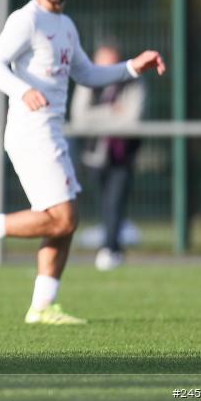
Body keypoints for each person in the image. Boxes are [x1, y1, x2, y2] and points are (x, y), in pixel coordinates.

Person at [0, 0, 165, 324]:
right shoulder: (26, 19)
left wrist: (133, 67)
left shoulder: (65, 26)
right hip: (31, 134)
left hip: (52, 133)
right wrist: (23, 88)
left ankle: (43, 305)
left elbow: (87, 74)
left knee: (67, 219)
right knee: (62, 218)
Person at [71, 43, 146, 271]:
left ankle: (110, 249)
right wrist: (112, 111)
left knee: (115, 202)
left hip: (122, 157)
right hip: (94, 156)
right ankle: (113, 248)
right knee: (105, 204)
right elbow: (80, 119)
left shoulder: (133, 82)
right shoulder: (88, 82)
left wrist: (98, 118)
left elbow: (132, 121)